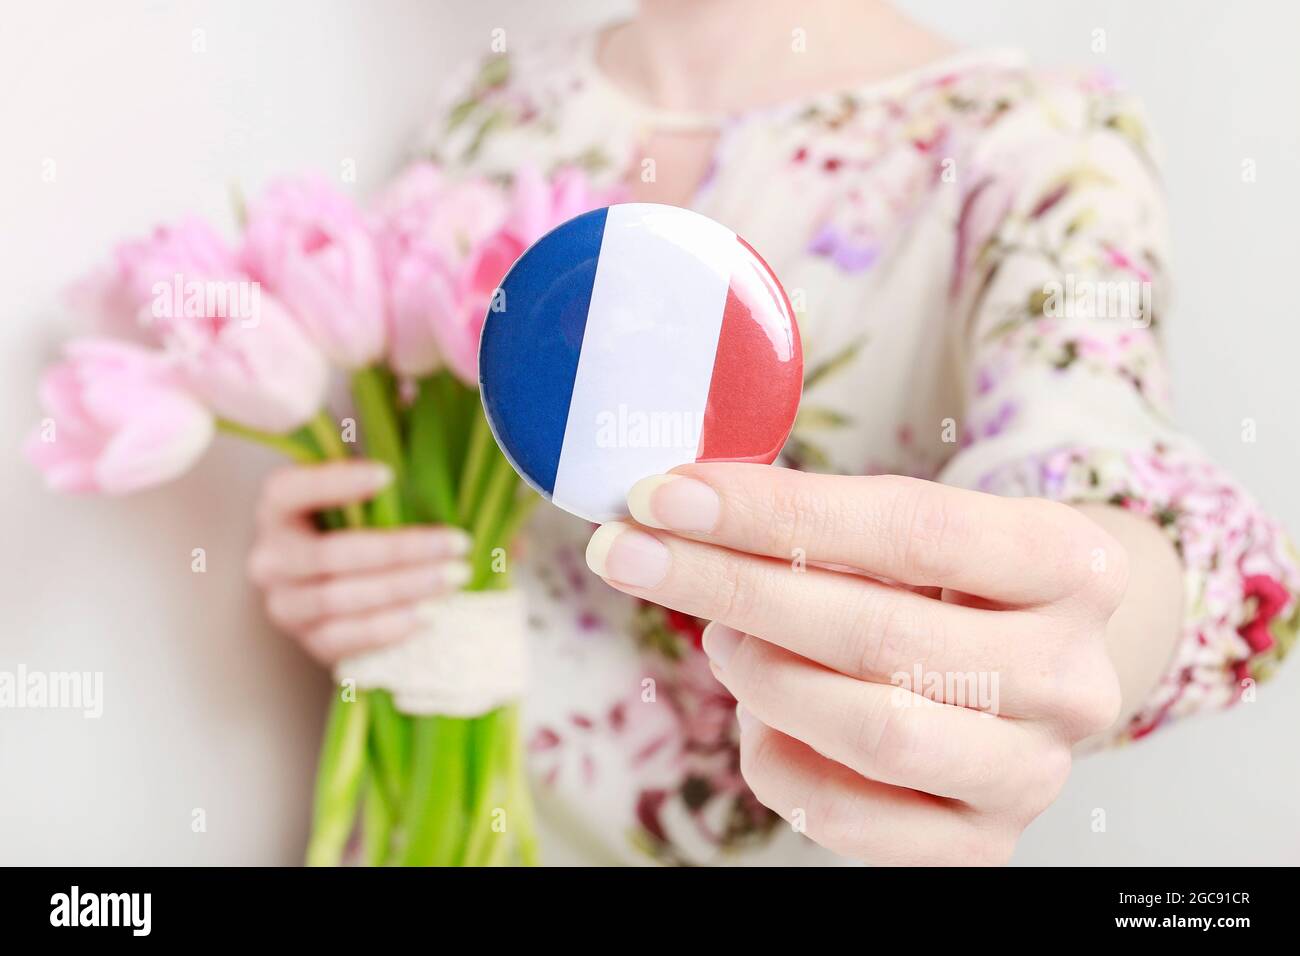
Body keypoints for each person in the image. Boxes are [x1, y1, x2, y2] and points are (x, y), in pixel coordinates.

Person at [245, 0, 1299, 865]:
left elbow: (1104, 458)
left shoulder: (1035, 140)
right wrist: (349, 557)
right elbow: (438, 465)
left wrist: (1095, 612)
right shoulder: (487, 117)